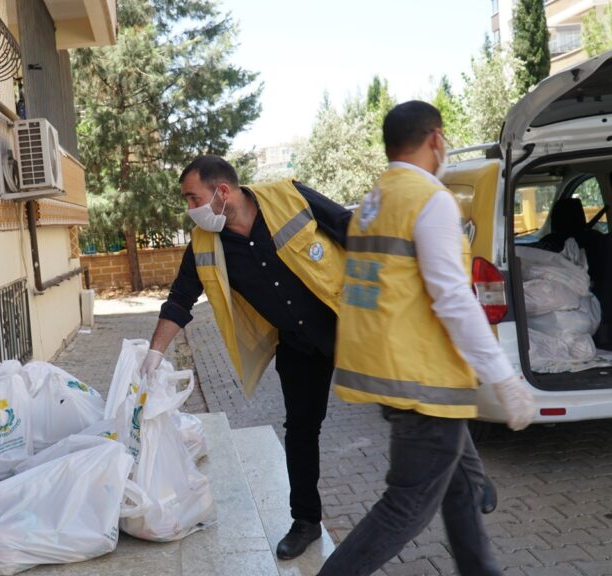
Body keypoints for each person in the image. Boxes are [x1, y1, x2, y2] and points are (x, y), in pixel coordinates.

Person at [316, 101, 535, 576]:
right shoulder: (429, 199)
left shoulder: (376, 200)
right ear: (435, 138)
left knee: (461, 491)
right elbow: (453, 298)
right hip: (424, 380)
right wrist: (505, 377)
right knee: (405, 508)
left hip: (394, 373)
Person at [140, 154, 351, 559]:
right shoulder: (204, 243)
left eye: (191, 197)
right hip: (297, 345)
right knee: (302, 431)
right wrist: (154, 353)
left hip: (349, 322)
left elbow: (348, 228)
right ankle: (306, 521)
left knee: (402, 402)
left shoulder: (288, 198)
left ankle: (453, 471)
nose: (190, 209)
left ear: (222, 192)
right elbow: (180, 299)